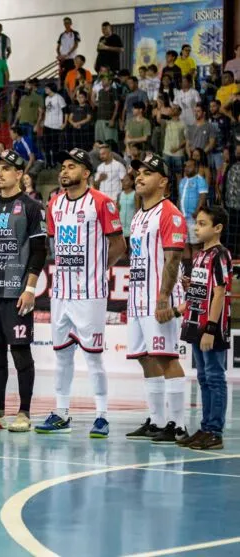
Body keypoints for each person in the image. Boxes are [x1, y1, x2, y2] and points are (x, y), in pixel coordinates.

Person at [35, 149, 126, 438]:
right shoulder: (54, 204)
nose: (64, 171)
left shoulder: (102, 203)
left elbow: (119, 246)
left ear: (86, 172)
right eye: (62, 166)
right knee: (61, 355)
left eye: (71, 166)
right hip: (60, 293)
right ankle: (61, 412)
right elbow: (53, 244)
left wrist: (99, 270)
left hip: (90, 294)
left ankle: (102, 416)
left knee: (93, 357)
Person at [0, 150, 47, 432]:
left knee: (21, 352)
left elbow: (40, 251)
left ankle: (24, 412)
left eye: (6, 168)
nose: (0, 173)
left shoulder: (32, 206)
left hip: (17, 292)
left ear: (19, 174)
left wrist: (30, 288)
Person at [124, 154, 188, 443]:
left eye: (148, 172)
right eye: (138, 172)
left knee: (166, 357)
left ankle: (178, 424)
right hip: (137, 298)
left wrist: (164, 298)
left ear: (163, 181)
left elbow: (173, 258)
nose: (139, 176)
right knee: (146, 359)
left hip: (158, 299)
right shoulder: (138, 215)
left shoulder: (169, 212)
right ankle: (157, 420)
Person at [175, 206, 231, 450]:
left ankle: (215, 432)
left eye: (202, 223)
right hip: (194, 323)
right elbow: (203, 290)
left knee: (215, 377)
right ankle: (205, 427)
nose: (196, 228)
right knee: (203, 378)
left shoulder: (220, 254)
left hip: (210, 326)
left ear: (217, 228)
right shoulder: (199, 255)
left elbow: (219, 292)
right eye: (196, 223)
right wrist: (190, 289)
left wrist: (210, 328)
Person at [56, 17, 81, 84]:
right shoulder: (62, 35)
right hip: (63, 60)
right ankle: (64, 92)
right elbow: (58, 47)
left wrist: (68, 54)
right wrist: (59, 55)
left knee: (72, 77)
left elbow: (76, 45)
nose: (66, 24)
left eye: (68, 23)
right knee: (63, 77)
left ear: (71, 23)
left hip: (71, 59)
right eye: (65, 23)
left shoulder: (75, 33)